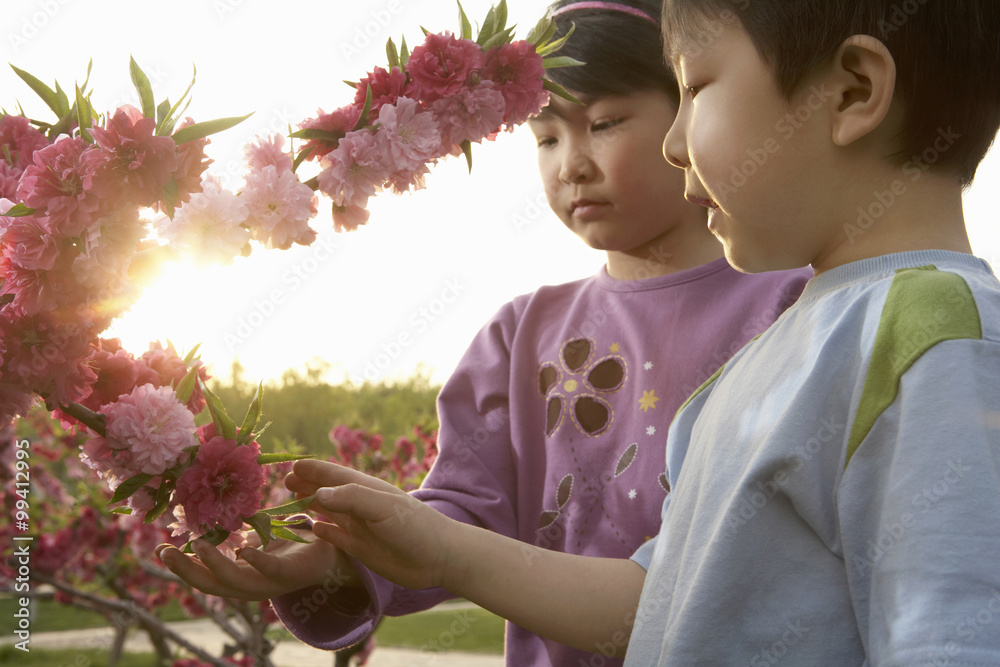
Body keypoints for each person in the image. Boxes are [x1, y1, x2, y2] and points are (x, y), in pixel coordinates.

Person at [233, 0, 1000, 664]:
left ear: (853, 91)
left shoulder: (928, 334)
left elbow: (951, 638)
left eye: (695, 88)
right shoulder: (782, 350)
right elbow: (659, 602)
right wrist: (419, 543)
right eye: (547, 137)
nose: (675, 143)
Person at [156, 1, 813, 664]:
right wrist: (334, 557)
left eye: (606, 123)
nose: (572, 164)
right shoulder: (520, 334)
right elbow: (460, 522)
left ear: (692, 110)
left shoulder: (795, 303)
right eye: (547, 138)